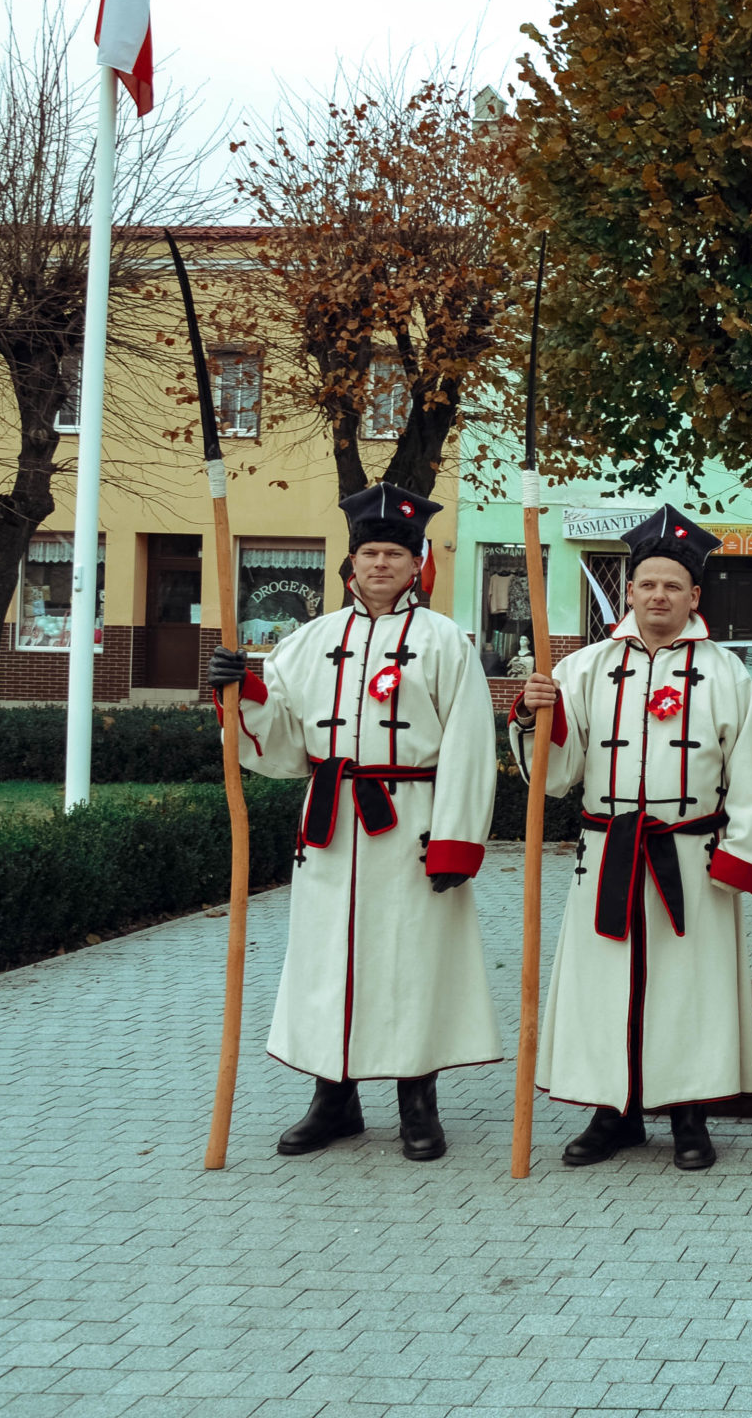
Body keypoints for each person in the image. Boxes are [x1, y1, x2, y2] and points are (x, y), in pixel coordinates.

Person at [207, 484, 500, 1162]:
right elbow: (277, 739)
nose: (379, 565)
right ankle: (332, 1100)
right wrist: (243, 689)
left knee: (413, 963)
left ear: (415, 564)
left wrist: (457, 838)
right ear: (351, 563)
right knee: (326, 962)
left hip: (413, 823)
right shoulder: (310, 641)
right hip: (331, 827)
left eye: (394, 554)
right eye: (369, 553)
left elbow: (469, 743)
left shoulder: (444, 642)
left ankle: (416, 1103)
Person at [510, 507, 752, 1171]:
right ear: (628, 591)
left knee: (690, 989)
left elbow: (748, 775)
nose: (659, 596)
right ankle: (613, 1113)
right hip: (607, 854)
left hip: (693, 855)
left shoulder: (727, 674)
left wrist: (741, 855)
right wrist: (532, 715)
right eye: (647, 584)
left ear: (695, 598)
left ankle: (689, 1114)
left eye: (672, 587)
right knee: (608, 987)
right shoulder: (585, 668)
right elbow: (556, 777)